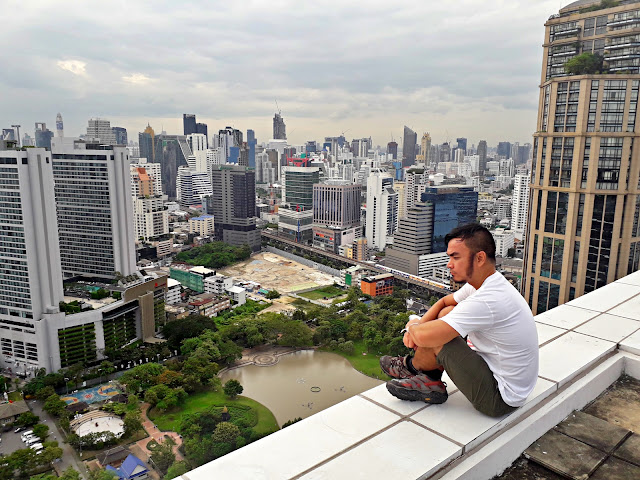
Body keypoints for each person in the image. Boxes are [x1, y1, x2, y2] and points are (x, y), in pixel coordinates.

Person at [380, 223, 538, 417]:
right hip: (498, 376)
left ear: (479, 258)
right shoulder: (486, 283)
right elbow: (445, 302)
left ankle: (411, 367)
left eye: (456, 257)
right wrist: (419, 328)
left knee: (435, 336)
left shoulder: (489, 299)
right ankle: (428, 380)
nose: (449, 264)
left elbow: (424, 337)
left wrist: (413, 325)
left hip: (499, 399)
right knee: (447, 312)